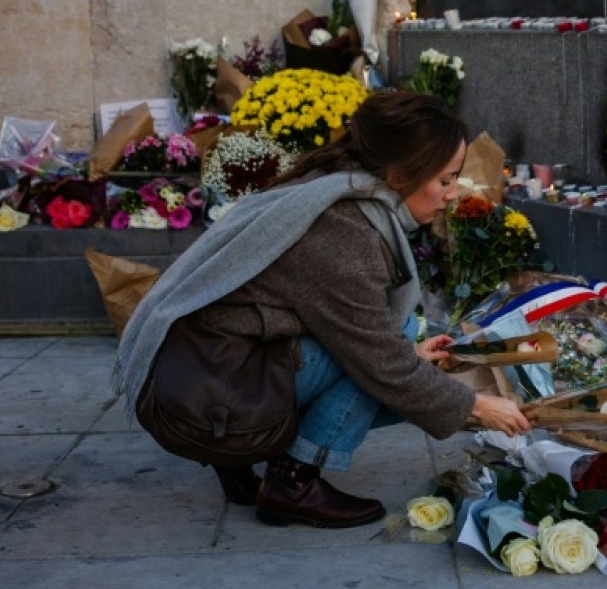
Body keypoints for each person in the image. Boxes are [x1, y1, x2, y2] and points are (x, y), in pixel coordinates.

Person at [113, 92, 531, 529]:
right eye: (445, 180)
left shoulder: (332, 183)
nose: (451, 194)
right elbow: (381, 364)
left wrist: (406, 356)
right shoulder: (346, 232)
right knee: (387, 343)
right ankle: (292, 482)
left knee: (393, 341)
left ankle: (244, 462)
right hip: (209, 401)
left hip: (204, 371)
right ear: (398, 174)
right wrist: (477, 406)